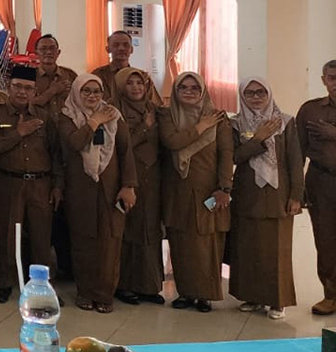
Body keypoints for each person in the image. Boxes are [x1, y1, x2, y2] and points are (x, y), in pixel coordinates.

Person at [0, 65, 61, 304]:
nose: (22, 92)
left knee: (41, 238)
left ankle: (44, 287)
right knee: (8, 236)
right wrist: (19, 132)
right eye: (18, 87)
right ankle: (5, 283)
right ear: (8, 86)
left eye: (28, 88)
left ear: (34, 90)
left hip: (41, 184)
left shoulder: (44, 117)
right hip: (8, 183)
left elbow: (56, 154)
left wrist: (58, 186)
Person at [58, 75, 137, 313]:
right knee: (83, 242)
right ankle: (85, 292)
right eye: (86, 91)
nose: (92, 96)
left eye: (97, 91)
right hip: (80, 190)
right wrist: (94, 121)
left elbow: (126, 152)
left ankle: (105, 295)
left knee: (110, 241)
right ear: (76, 93)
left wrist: (129, 185)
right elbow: (74, 142)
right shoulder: (66, 116)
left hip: (111, 189)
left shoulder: (113, 116)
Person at [228, 78, 303, 319]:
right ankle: (253, 297)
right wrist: (257, 139)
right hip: (247, 194)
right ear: (242, 96)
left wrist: (296, 197)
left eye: (261, 92)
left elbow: (295, 161)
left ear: (269, 94)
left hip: (278, 195)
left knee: (276, 250)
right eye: (250, 93)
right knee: (248, 249)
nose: (256, 97)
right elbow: (235, 157)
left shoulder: (285, 122)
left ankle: (277, 301)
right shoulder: (236, 124)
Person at [159, 71, 232, 313]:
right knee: (180, 244)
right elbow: (173, 142)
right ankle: (186, 293)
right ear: (176, 92)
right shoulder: (168, 116)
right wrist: (201, 127)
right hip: (177, 190)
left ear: (203, 92)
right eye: (183, 88)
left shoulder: (218, 119)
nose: (189, 92)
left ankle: (205, 295)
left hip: (207, 191)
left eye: (194, 88)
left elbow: (226, 155)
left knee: (206, 245)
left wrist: (224, 188)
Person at [111, 68, 167, 305]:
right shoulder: (114, 110)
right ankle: (124, 285)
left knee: (150, 230)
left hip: (153, 178)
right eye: (130, 84)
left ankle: (149, 285)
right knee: (129, 231)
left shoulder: (154, 109)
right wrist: (144, 127)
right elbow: (121, 144)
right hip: (127, 177)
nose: (135, 88)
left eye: (139, 83)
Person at [299, 60, 336, 315]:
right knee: (325, 240)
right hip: (321, 182)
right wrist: (296, 187)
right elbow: (297, 150)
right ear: (324, 80)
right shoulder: (310, 110)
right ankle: (331, 295)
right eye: (332, 78)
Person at [31, 35, 78, 114]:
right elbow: (25, 104)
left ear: (58, 52)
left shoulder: (70, 75)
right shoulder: (28, 76)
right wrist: (52, 91)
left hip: (66, 123)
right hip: (39, 122)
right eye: (43, 49)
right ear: (36, 53)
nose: (49, 52)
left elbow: (81, 100)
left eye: (52, 48)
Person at [91, 31, 134, 100]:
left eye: (126, 45)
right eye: (116, 45)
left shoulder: (142, 77)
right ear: (108, 49)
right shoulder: (97, 75)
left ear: (131, 49)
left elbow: (153, 106)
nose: (121, 48)